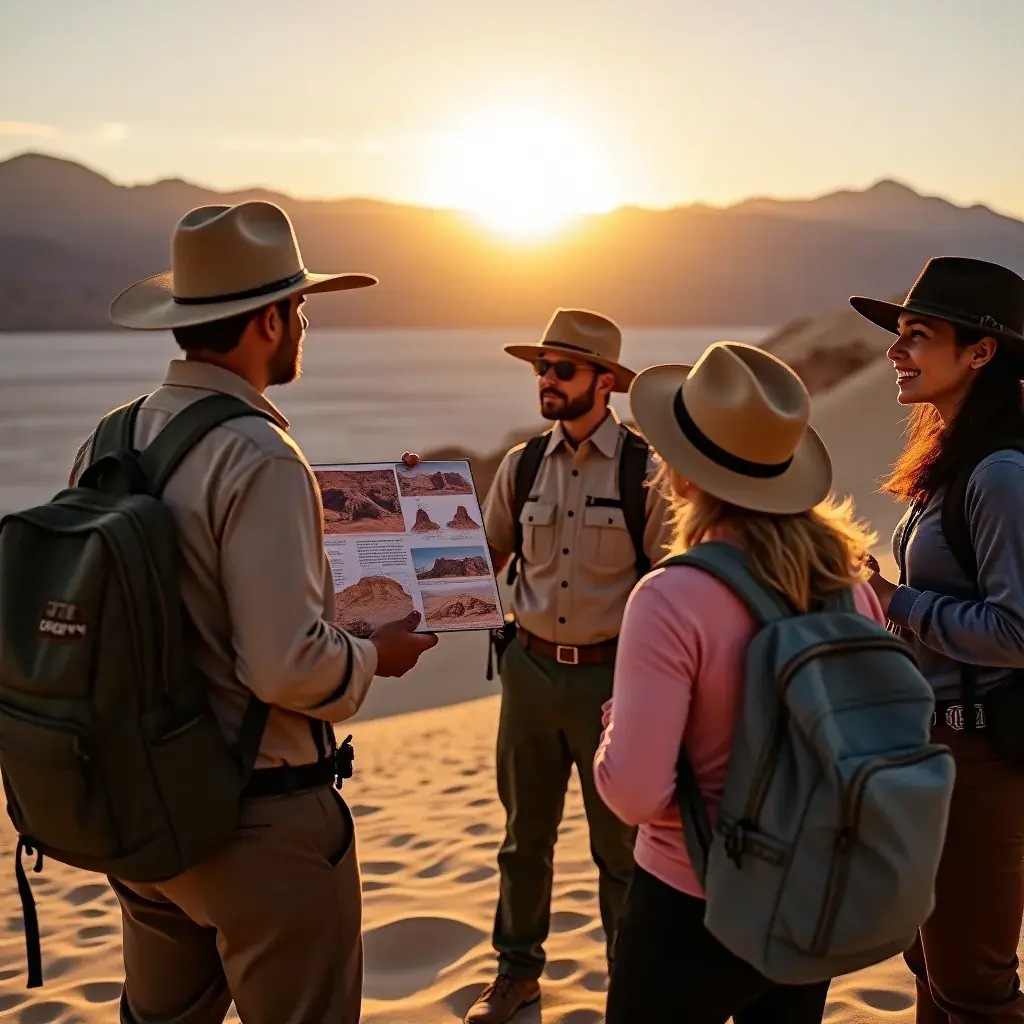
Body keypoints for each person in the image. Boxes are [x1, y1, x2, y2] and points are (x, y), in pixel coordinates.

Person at [67, 201, 438, 1024]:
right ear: (270, 321)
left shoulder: (110, 438)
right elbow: (282, 666)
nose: (305, 325)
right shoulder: (260, 454)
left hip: (143, 813)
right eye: (301, 309)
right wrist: (376, 654)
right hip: (256, 822)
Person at [595, 340, 885, 1023]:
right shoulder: (852, 585)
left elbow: (636, 794)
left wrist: (613, 727)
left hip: (690, 904)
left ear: (686, 475)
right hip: (810, 896)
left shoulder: (673, 597)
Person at [461, 308, 674, 1023]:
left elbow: (675, 584)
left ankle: (630, 982)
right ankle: (517, 973)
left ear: (605, 382)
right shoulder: (521, 466)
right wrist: (420, 498)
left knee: (621, 844)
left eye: (563, 369)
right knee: (524, 839)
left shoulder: (648, 471)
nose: (546, 380)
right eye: (540, 368)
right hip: (527, 671)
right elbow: (476, 564)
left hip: (615, 681)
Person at [853, 256, 1024, 1024]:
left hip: (985, 757)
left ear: (980, 352)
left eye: (917, 336)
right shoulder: (952, 463)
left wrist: (897, 600)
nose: (895, 351)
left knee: (974, 986)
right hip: (933, 747)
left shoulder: (999, 474)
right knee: (929, 960)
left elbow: (1017, 632)